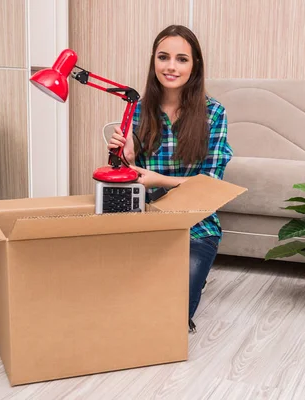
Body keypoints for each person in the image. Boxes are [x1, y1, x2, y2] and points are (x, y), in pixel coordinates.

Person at [107, 24, 233, 333]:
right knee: (120, 304)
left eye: (181, 59)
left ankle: (194, 277)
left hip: (196, 224)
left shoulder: (213, 113)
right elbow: (124, 178)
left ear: (195, 65)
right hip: (147, 220)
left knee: (171, 320)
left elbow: (211, 183)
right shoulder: (136, 109)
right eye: (164, 57)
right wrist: (126, 157)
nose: (171, 66)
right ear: (153, 62)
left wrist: (156, 179)